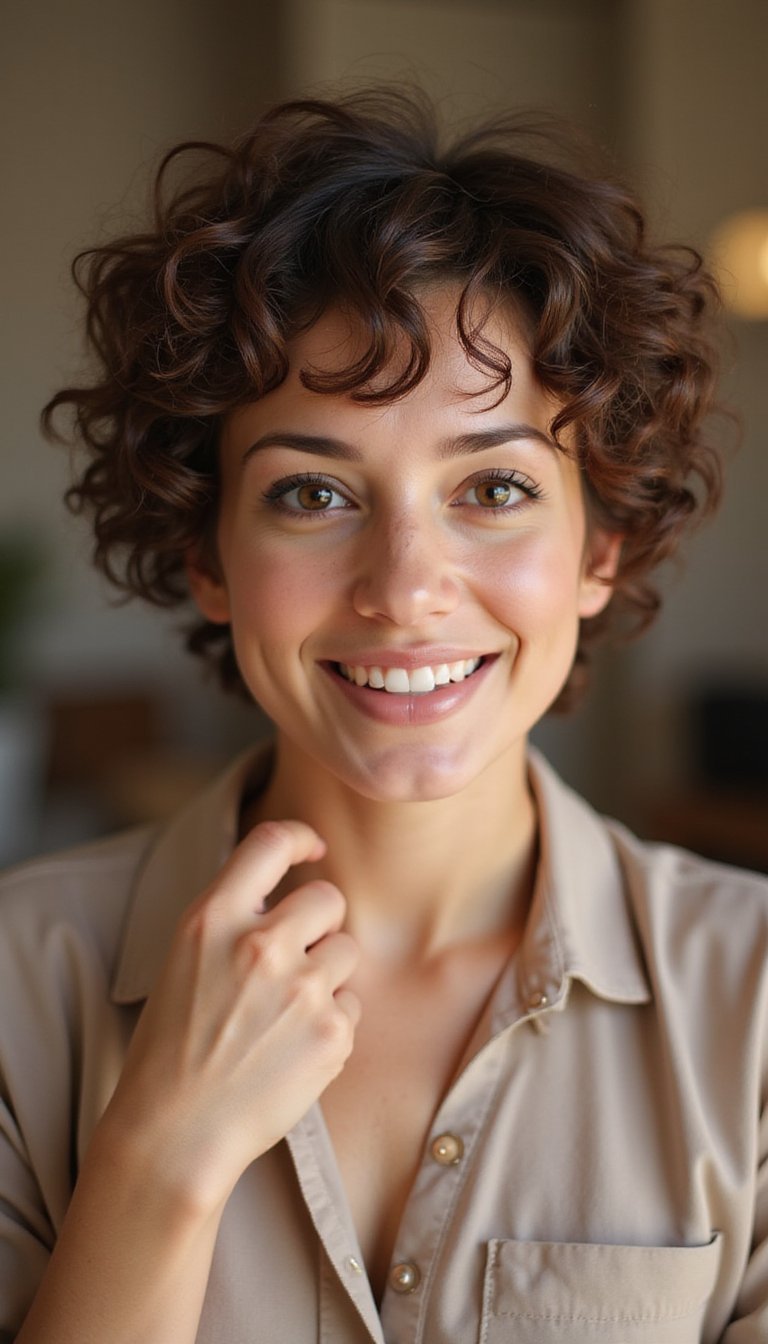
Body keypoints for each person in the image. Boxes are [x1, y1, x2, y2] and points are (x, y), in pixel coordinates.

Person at [1, 85, 766, 1344]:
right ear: (206, 554)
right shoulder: (18, 984)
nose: (406, 589)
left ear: (601, 547)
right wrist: (157, 1159)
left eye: (494, 487)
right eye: (312, 494)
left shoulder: (756, 1004)